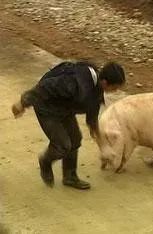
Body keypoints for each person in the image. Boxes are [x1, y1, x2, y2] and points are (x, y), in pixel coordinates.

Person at [11, 61, 126, 190]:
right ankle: (45, 161)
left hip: (64, 109)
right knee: (63, 145)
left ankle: (70, 176)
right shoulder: (75, 83)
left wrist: (104, 146)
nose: (115, 91)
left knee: (75, 140)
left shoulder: (97, 90)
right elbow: (44, 87)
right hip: (46, 108)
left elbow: (92, 121)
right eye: (115, 87)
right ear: (105, 82)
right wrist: (23, 102)